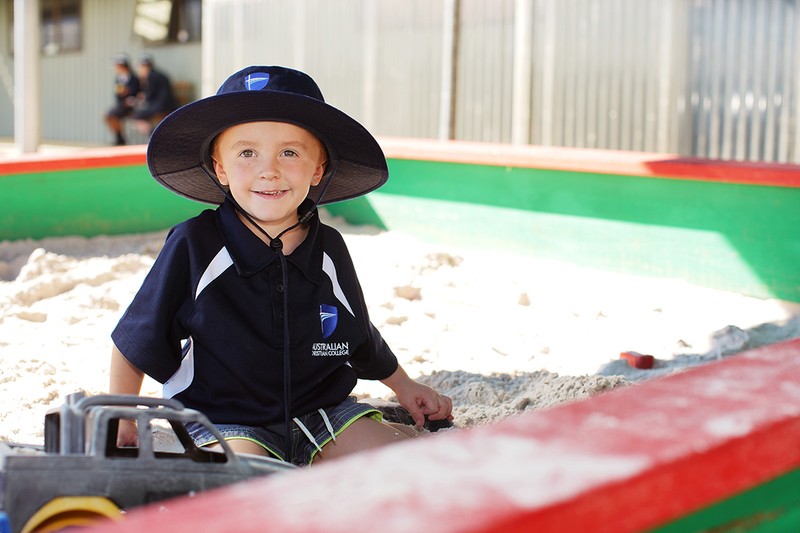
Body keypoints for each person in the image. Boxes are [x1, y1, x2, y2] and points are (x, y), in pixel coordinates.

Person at [109, 65, 453, 467]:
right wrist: (121, 415)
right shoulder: (194, 245)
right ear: (220, 168)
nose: (268, 170)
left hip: (322, 412)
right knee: (241, 482)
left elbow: (357, 333)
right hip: (225, 419)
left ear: (318, 169)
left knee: (405, 465)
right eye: (246, 153)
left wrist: (404, 385)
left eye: (289, 152)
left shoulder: (330, 248)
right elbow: (138, 337)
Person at [130, 55, 177, 136]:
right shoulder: (157, 74)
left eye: (140, 67)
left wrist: (140, 98)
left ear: (145, 66)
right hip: (167, 104)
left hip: (163, 106)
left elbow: (150, 96)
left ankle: (152, 135)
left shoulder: (152, 76)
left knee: (136, 116)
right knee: (141, 114)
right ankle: (153, 134)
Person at [104, 54, 141, 146]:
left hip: (132, 105)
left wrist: (128, 92)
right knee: (109, 116)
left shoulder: (133, 78)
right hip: (121, 104)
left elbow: (137, 91)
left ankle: (120, 139)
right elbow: (117, 95)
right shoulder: (118, 78)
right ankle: (119, 137)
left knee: (112, 115)